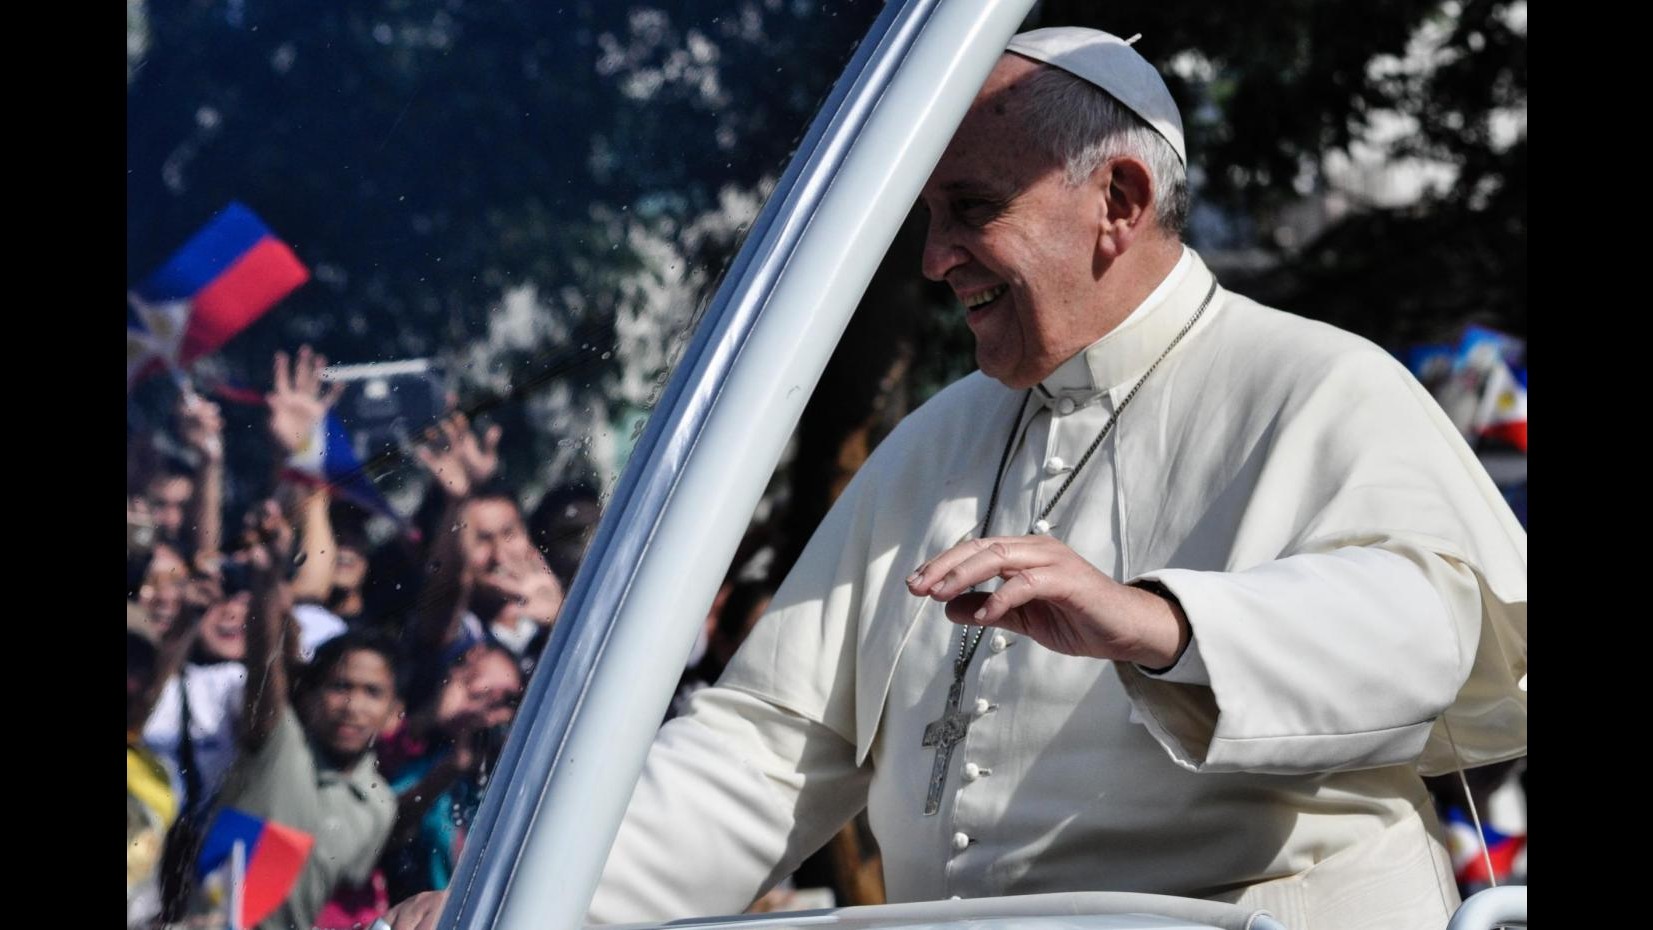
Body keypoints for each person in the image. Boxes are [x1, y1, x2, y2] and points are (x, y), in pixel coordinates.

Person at [385, 27, 1525, 930]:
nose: (932, 258)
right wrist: (517, 899)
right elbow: (768, 744)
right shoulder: (936, 440)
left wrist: (1161, 623)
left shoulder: (1317, 382)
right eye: (927, 216)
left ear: (1118, 203)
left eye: (971, 209)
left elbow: (1429, 625)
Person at [208, 501, 402, 930]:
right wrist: (267, 581)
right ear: (311, 696)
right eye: (340, 686)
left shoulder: (380, 807)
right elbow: (265, 667)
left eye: (372, 693)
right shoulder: (279, 743)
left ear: (394, 713)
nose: (352, 705)